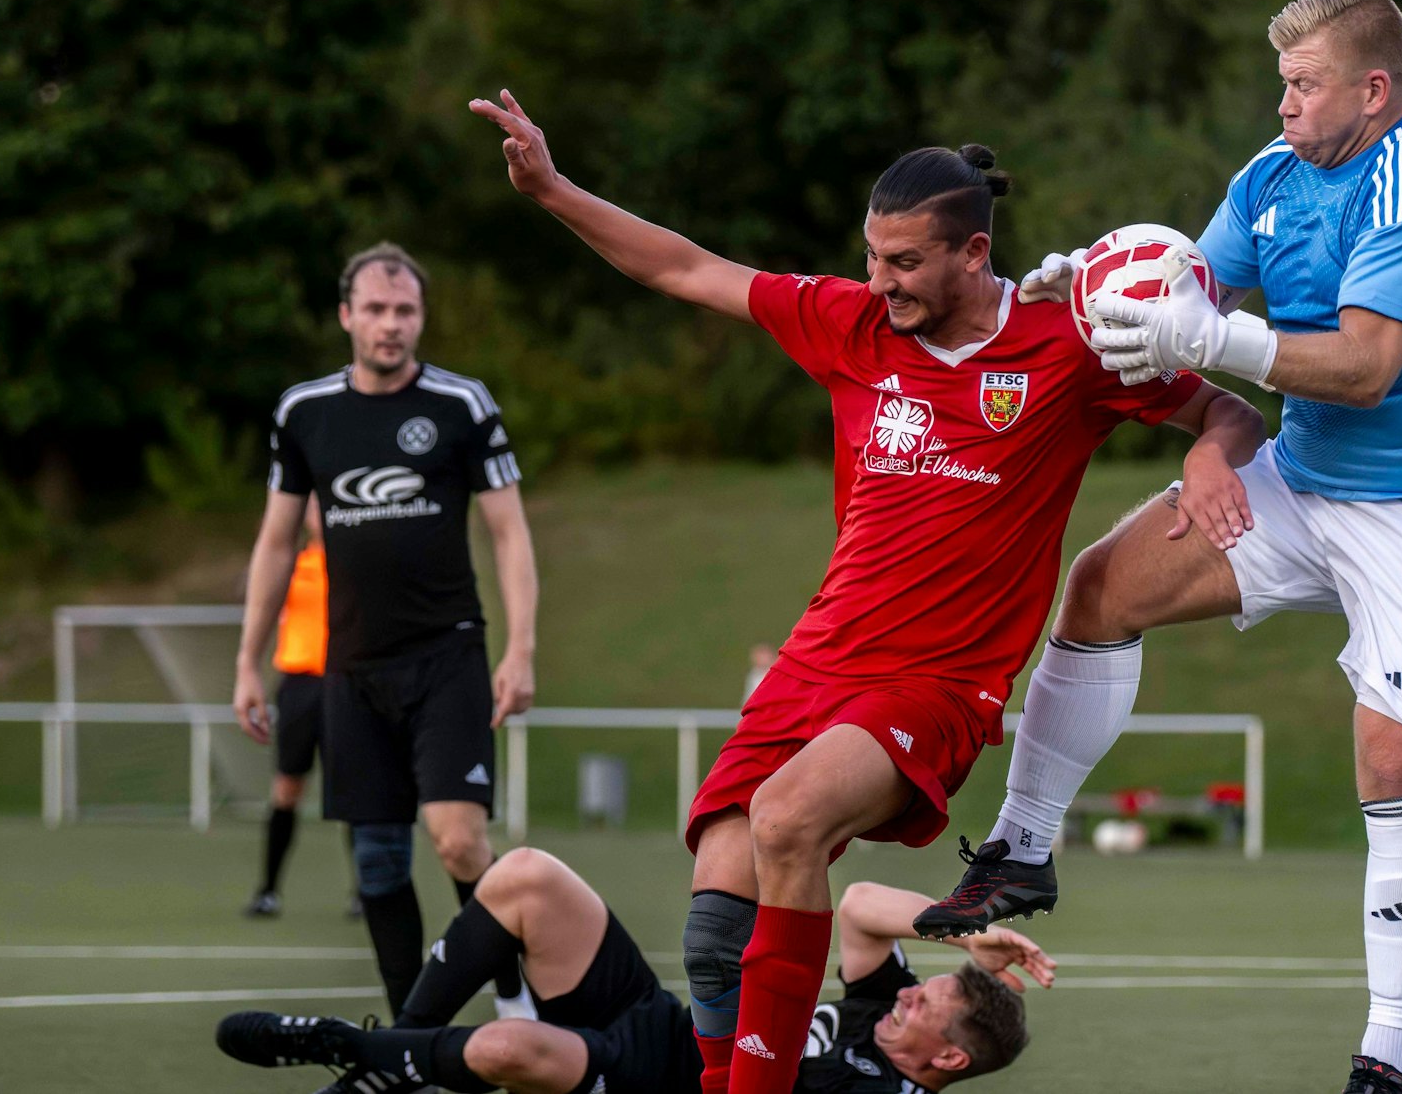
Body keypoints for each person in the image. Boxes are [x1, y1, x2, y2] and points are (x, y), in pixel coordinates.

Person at [468, 93, 1264, 1094]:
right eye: (871, 257)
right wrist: (551, 190)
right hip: (814, 665)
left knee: (786, 820)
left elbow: (1224, 408)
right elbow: (682, 267)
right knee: (715, 931)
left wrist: (1207, 459)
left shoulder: (1066, 345)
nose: (876, 281)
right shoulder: (848, 323)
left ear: (972, 254)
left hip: (934, 687)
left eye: (902, 263)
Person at [912, 0, 1402, 1091]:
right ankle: (1020, 851)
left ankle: (1384, 1057)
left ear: (1375, 91)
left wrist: (1205, 335)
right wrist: (1075, 295)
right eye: (1281, 82)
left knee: (1392, 757)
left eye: (1304, 85)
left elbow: (1357, 368)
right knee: (1102, 587)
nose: (1285, 104)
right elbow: (1184, 291)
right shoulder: (1270, 175)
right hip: (1307, 476)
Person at [232, 242, 540, 1020]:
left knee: (458, 838)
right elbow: (274, 542)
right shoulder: (305, 413)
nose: (390, 324)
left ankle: (517, 999)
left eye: (404, 310)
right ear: (346, 316)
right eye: (374, 308)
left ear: (421, 317)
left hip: (447, 656)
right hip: (351, 667)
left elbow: (508, 533)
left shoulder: (461, 405)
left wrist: (521, 648)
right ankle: (411, 1034)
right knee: (375, 858)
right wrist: (247, 661)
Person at [215, 848, 1048, 1094]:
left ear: (949, 1058)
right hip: (657, 1014)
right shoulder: (878, 1012)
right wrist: (961, 929)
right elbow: (862, 898)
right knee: (527, 878)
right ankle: (397, 1059)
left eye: (927, 1001)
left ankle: (348, 1050)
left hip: (649, 1080)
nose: (907, 990)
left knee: (513, 1048)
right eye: (920, 981)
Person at [243, 496, 360, 918]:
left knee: (354, 790)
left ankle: (365, 891)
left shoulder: (359, 563)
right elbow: (260, 591)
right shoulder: (290, 565)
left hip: (347, 680)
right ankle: (268, 890)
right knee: (287, 788)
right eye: (311, 502)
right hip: (299, 686)